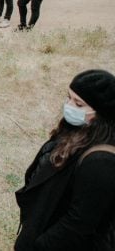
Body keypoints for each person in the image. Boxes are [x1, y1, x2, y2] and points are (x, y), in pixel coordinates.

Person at [14, 69, 115, 250]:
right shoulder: (79, 130)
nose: (69, 106)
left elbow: (78, 225)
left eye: (78, 103)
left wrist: (39, 246)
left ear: (101, 112)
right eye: (68, 98)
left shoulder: (101, 162)